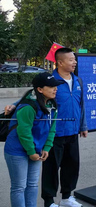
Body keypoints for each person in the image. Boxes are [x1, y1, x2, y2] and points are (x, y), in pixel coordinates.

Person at [4, 72, 61, 207]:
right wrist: (31, 152)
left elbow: (52, 128)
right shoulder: (28, 106)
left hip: (37, 150)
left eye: (56, 86)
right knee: (19, 186)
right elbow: (24, 132)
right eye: (51, 86)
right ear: (40, 89)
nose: (55, 89)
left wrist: (47, 147)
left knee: (32, 184)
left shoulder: (52, 105)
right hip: (17, 151)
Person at [41, 48, 87, 207]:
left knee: (72, 166)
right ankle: (49, 201)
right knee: (51, 168)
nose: (74, 62)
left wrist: (83, 125)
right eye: (70, 60)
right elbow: (34, 100)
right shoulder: (49, 81)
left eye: (74, 59)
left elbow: (82, 106)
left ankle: (67, 197)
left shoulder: (78, 81)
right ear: (60, 62)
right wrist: (13, 106)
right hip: (54, 134)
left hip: (73, 131)